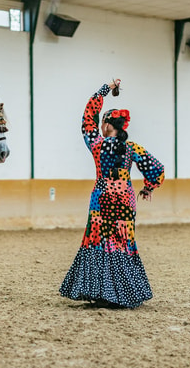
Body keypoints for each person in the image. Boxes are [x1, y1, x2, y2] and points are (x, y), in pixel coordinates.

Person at [59, 79, 165, 309]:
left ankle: (102, 292)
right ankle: (125, 294)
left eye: (103, 123)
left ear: (107, 125)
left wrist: (103, 90)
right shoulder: (132, 148)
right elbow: (157, 167)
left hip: (103, 197)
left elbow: (88, 118)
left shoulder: (97, 144)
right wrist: (148, 187)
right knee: (123, 243)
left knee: (99, 242)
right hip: (125, 199)